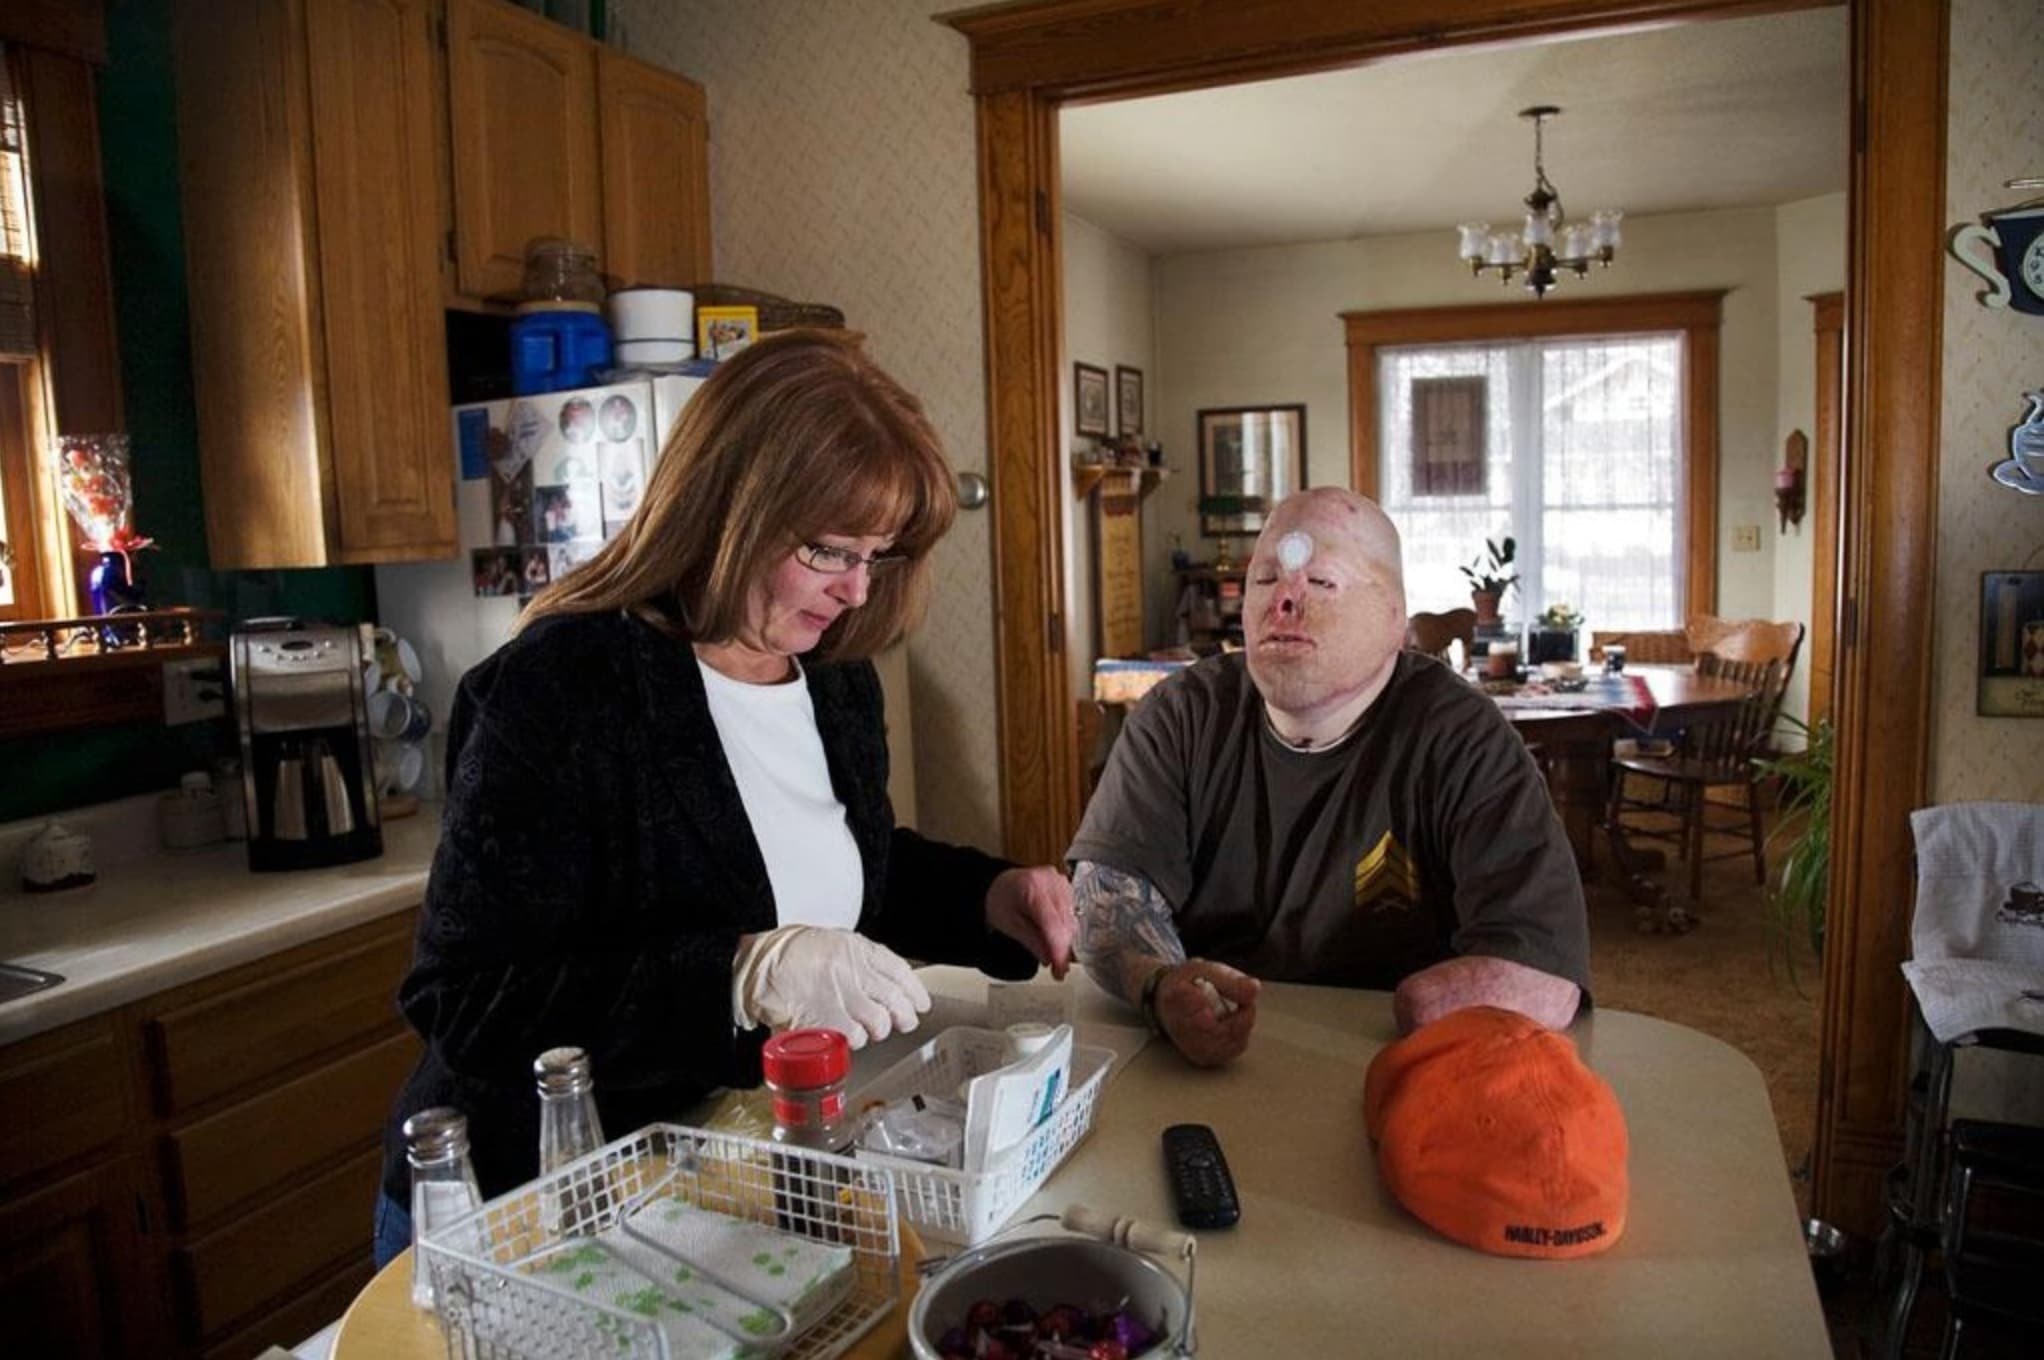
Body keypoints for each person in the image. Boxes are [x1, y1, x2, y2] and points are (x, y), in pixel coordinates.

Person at [375, 330, 1077, 1264]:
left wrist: (988, 897)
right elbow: (465, 1001)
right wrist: (737, 976)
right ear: (731, 509)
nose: (856, 589)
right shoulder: (562, 689)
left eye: (877, 556)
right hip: (532, 1207)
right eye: (830, 551)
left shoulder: (832, 677)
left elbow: (837, 866)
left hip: (711, 1178)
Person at [1068, 487, 1587, 1067]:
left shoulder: (1462, 736)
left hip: (1394, 1063)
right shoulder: (1180, 715)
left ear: (1393, 617)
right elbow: (1106, 899)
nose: (1284, 600)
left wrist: (1419, 1007)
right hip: (1200, 1066)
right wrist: (1162, 986)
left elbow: (1543, 972)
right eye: (1264, 580)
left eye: (1321, 582)